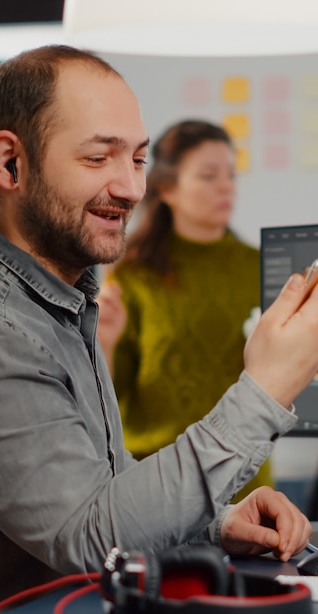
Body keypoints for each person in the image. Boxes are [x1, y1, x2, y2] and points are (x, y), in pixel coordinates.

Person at [0, 44, 317, 614]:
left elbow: (102, 481)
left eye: (137, 159)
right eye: (99, 158)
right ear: (9, 164)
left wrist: (218, 522)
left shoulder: (65, 297)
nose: (131, 188)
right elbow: (88, 538)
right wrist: (267, 388)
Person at [97, 120, 272, 502]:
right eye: (209, 175)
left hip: (246, 486)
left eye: (231, 174)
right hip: (153, 487)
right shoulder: (130, 275)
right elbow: (107, 399)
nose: (226, 186)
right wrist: (104, 343)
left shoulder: (260, 267)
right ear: (168, 188)